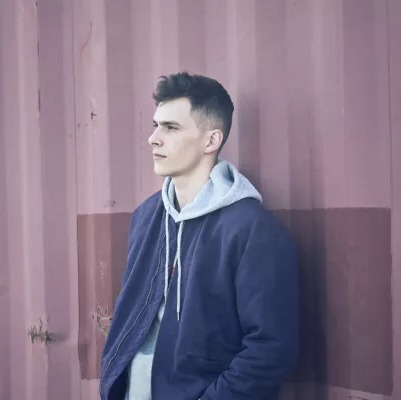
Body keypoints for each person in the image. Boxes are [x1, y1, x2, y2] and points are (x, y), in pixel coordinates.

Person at [99, 72, 299, 400]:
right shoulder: (147, 217)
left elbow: (271, 347)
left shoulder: (251, 230)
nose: (153, 138)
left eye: (171, 128)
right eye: (155, 125)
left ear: (211, 141)